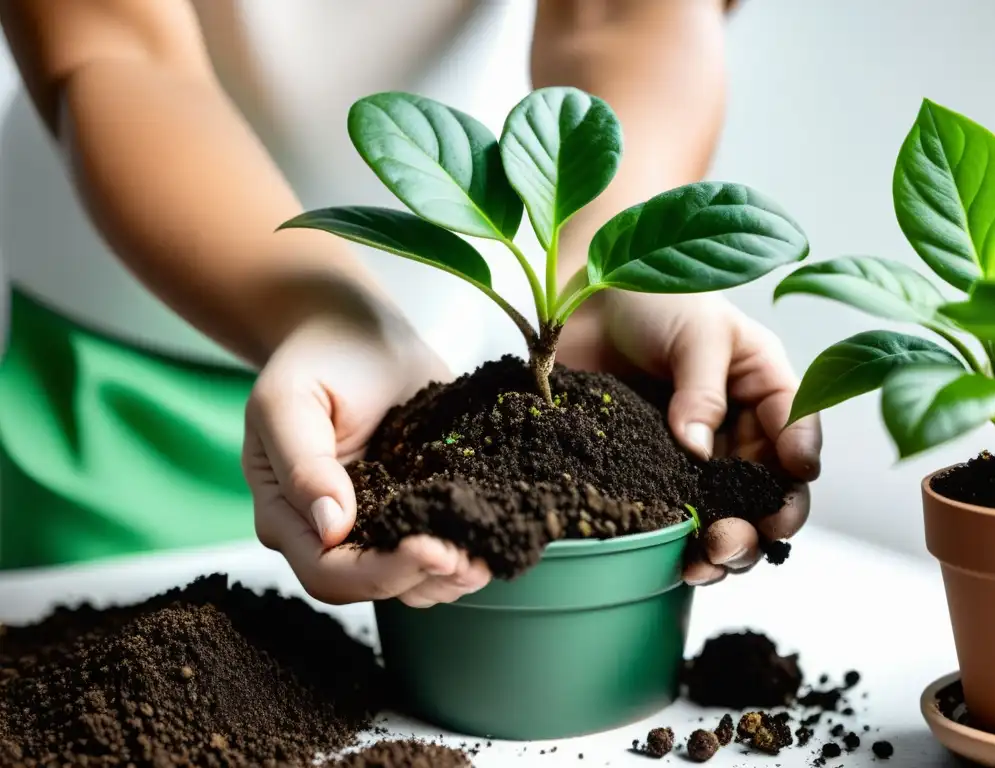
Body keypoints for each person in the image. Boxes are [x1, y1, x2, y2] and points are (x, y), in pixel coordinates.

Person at [0, 0, 820, 606]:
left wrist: (614, 269)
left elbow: (619, 13)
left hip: (425, 386)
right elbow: (112, 45)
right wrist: (326, 314)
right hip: (112, 393)